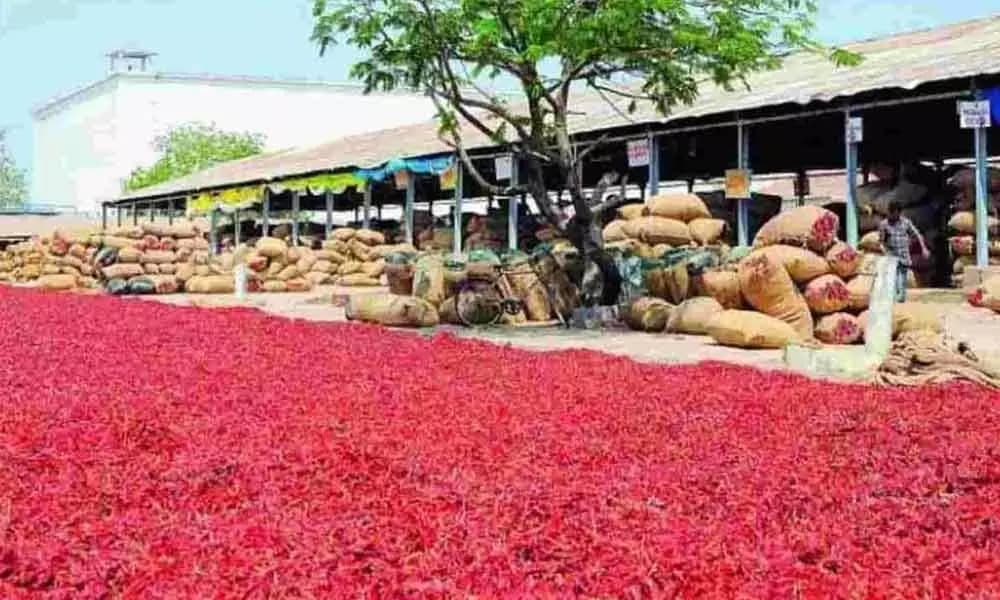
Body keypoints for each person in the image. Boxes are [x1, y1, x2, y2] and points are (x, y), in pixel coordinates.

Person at [879, 200, 929, 302]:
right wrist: (884, 252)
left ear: (899, 212)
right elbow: (881, 241)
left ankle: (900, 300)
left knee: (902, 280)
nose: (892, 215)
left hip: (904, 256)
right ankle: (897, 299)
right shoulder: (884, 224)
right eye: (890, 212)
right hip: (892, 256)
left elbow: (917, 235)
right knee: (896, 279)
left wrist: (924, 248)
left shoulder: (906, 222)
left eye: (894, 212)